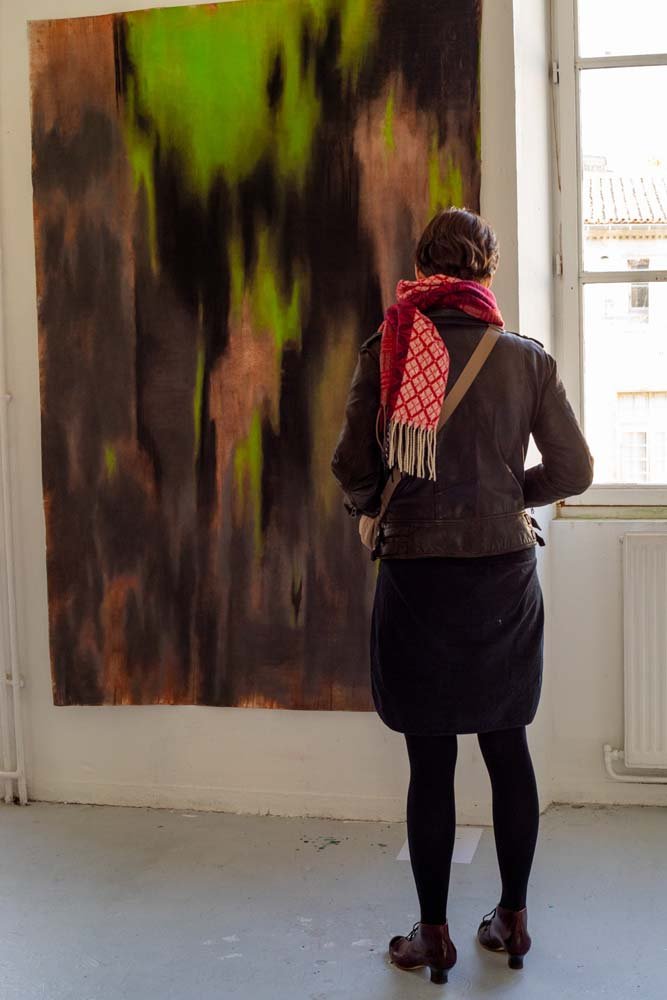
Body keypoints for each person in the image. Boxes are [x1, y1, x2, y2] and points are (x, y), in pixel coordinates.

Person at [330, 207, 594, 984]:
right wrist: (505, 496)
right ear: (486, 270)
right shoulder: (524, 358)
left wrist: (377, 507)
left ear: (422, 268)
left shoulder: (389, 347)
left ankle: (433, 935)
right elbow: (574, 471)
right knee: (507, 748)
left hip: (417, 576)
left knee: (430, 758)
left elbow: (351, 465)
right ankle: (512, 921)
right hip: (502, 576)